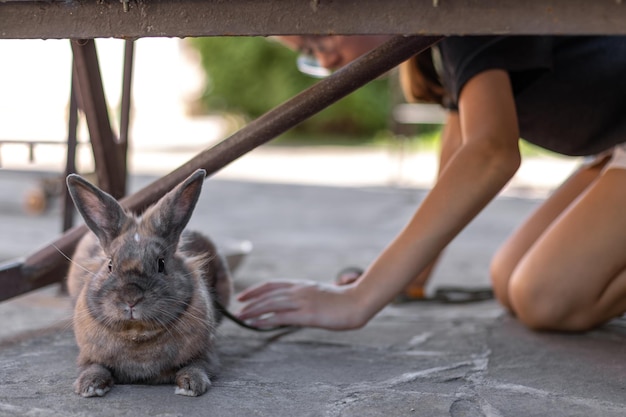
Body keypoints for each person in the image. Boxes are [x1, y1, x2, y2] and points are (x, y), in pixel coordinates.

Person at [237, 35, 626, 332]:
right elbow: (459, 151)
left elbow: (491, 153)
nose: (325, 58)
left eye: (320, 37)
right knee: (508, 279)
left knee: (544, 296)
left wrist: (359, 299)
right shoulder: (440, 38)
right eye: (308, 53)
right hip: (613, 145)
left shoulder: (461, 16)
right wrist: (409, 278)